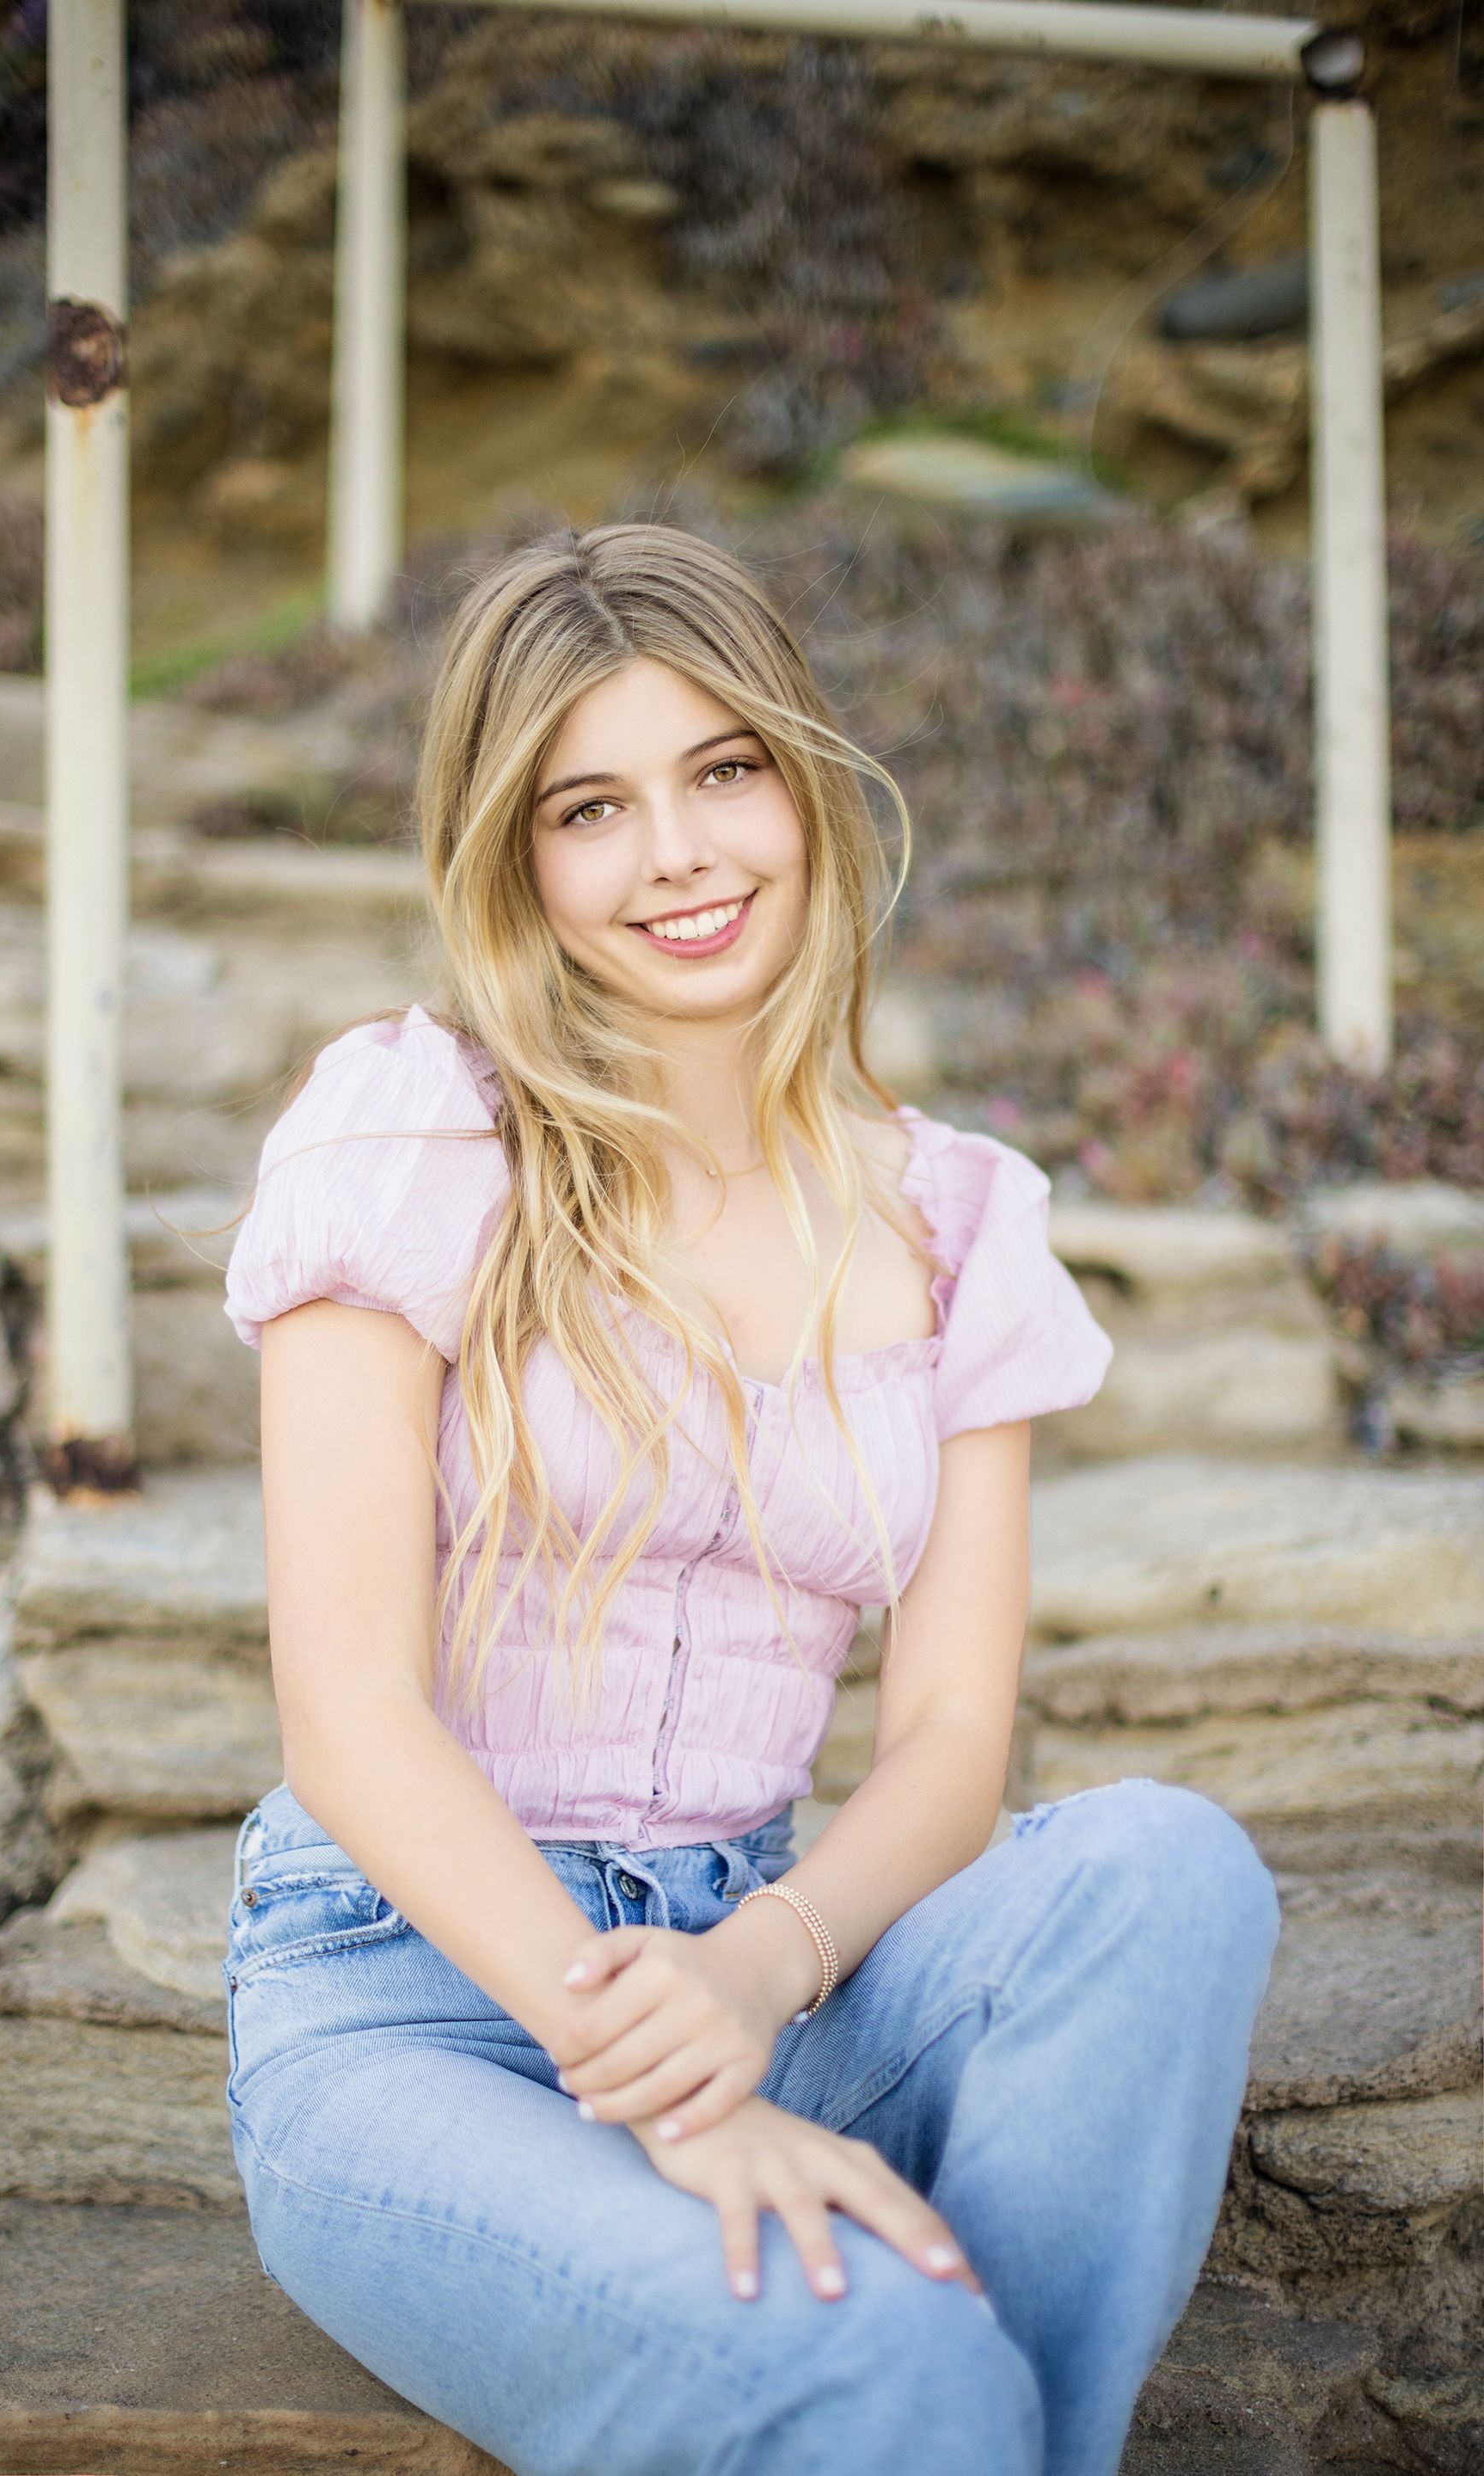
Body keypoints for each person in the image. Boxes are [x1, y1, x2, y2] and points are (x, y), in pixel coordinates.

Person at [220, 520, 1279, 2476]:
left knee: (1167, 1866)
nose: (681, 855)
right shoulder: (415, 1129)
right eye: (590, 808)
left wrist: (758, 1973)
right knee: (884, 2368)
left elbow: (955, 1740)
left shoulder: (957, 1219)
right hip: (420, 2005)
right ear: (513, 861)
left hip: (773, 1970)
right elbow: (346, 1712)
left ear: (801, 779)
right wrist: (665, 2081)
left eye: (722, 772)